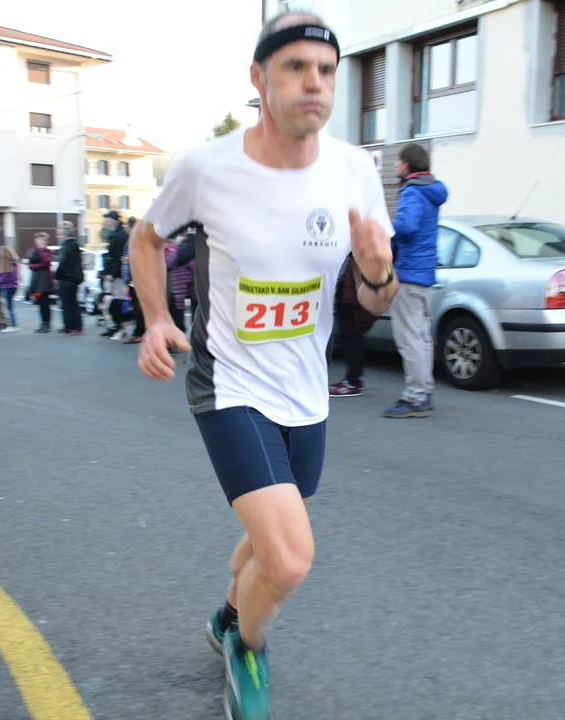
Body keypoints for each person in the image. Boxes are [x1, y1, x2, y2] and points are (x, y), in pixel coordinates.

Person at [129, 12, 397, 720]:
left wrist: (377, 272)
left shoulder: (355, 170)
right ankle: (246, 647)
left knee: (264, 537)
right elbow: (146, 239)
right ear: (259, 78)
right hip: (229, 383)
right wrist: (156, 318)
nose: (315, 83)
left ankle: (229, 612)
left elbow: (377, 298)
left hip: (306, 391)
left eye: (326, 70)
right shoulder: (206, 168)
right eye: (296, 68)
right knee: (288, 557)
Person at [384, 142, 448, 418]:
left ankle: (415, 398)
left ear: (407, 164)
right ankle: (424, 390)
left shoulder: (412, 190)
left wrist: (383, 229)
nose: (396, 165)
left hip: (409, 273)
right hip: (423, 274)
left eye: (398, 161)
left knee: (410, 338)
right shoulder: (431, 190)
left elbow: (406, 226)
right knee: (421, 337)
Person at [328, 256, 377, 397]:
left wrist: (335, 285)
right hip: (354, 286)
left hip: (353, 288)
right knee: (351, 334)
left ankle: (353, 381)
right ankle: (353, 379)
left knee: (352, 334)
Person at [55, 221, 84, 335]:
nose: (58, 237)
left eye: (59, 234)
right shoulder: (75, 245)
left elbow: (62, 262)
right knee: (73, 303)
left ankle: (69, 327)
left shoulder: (66, 246)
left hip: (66, 277)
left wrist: (56, 275)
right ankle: (77, 326)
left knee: (66, 304)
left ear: (64, 235)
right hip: (74, 278)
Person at [28, 232, 55, 333]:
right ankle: (43, 323)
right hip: (36, 279)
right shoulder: (33, 251)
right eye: (38, 239)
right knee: (39, 302)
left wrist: (41, 250)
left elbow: (47, 262)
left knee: (45, 302)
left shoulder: (48, 251)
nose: (40, 241)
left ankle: (46, 324)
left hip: (45, 280)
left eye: (43, 240)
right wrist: (40, 266)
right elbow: (30, 265)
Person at [0, 243, 21, 333]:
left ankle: (13, 325)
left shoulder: (7, 266)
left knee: (9, 307)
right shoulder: (14, 264)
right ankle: (13, 324)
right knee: (10, 306)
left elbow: (4, 277)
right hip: (13, 286)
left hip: (7, 287)